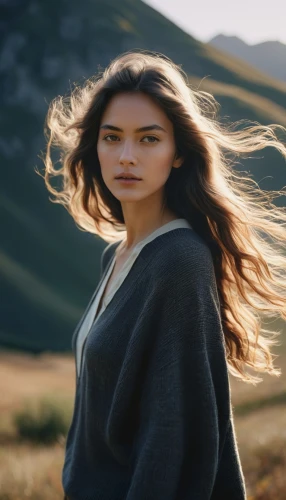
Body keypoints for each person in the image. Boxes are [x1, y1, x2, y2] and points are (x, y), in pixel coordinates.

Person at [41, 49, 286, 500]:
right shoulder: (117, 255)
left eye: (149, 139)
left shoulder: (179, 262)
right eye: (112, 137)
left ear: (177, 153)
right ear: (95, 148)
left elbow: (170, 440)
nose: (127, 156)